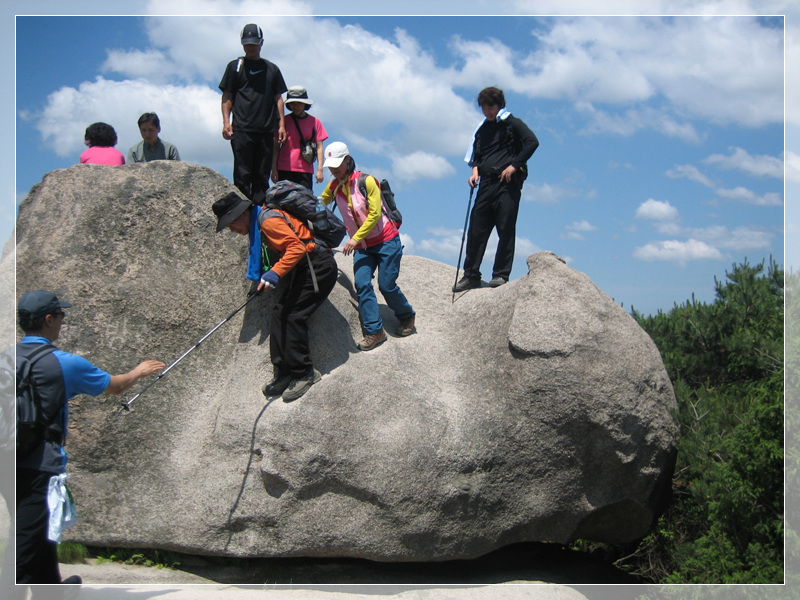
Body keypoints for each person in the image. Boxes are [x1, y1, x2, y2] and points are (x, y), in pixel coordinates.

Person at [15, 290, 165, 586]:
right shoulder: (63, 363)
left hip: (10, 457)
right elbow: (115, 386)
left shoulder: (10, 358)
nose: (62, 321)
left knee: (40, 529)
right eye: (61, 316)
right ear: (48, 319)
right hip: (39, 465)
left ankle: (51, 589)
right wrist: (139, 371)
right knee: (27, 538)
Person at [213, 192, 337, 402]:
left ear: (241, 215)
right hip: (305, 268)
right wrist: (270, 275)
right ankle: (284, 371)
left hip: (318, 266)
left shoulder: (268, 221)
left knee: (294, 316)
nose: (233, 230)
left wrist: (275, 273)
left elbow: (296, 247)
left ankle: (304, 373)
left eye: (231, 225)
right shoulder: (261, 222)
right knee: (280, 313)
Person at [319, 142, 416, 351]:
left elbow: (374, 214)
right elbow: (320, 203)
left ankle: (407, 316)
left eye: (337, 164)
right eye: (330, 166)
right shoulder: (334, 186)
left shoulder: (367, 181)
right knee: (362, 284)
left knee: (386, 285)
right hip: (363, 247)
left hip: (386, 240)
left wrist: (355, 238)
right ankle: (375, 331)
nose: (334, 170)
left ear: (347, 160)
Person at [453, 86, 539, 291]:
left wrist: (514, 165)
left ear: (499, 105)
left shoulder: (512, 123)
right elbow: (477, 156)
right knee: (476, 230)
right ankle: (471, 275)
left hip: (508, 183)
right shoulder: (482, 129)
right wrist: (474, 172)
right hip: (486, 183)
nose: (487, 111)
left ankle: (500, 275)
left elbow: (532, 142)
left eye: (491, 106)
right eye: (484, 107)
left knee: (505, 228)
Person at [219, 23, 287, 200]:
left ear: (262, 43)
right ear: (242, 43)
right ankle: (241, 221)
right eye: (247, 43)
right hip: (242, 129)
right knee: (242, 177)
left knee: (261, 180)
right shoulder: (235, 66)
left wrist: (281, 124)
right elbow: (227, 96)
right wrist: (226, 122)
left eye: (254, 43)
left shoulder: (271, 69)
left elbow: (278, 98)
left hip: (265, 130)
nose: (250, 47)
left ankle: (258, 222)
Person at [271, 86, 328, 191]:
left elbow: (320, 147)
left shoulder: (315, 122)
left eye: (299, 103)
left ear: (305, 104)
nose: (295, 106)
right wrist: (274, 168)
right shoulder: (283, 122)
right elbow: (276, 146)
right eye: (293, 103)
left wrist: (320, 169)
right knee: (283, 202)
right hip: (284, 167)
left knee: (304, 202)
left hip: (305, 170)